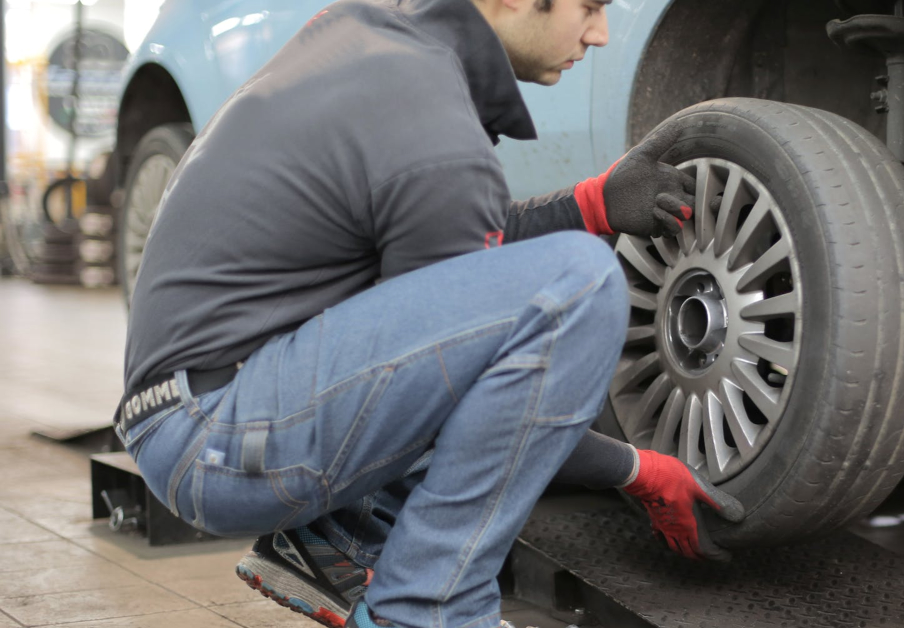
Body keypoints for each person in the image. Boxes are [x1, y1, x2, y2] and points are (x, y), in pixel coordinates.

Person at [113, 0, 745, 626]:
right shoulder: (430, 118)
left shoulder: (381, 48)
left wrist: (590, 204)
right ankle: (428, 609)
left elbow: (446, 274)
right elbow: (460, 370)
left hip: (192, 413)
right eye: (589, 6)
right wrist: (636, 469)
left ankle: (342, 538)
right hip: (220, 436)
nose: (600, 33)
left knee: (522, 291)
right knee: (579, 285)